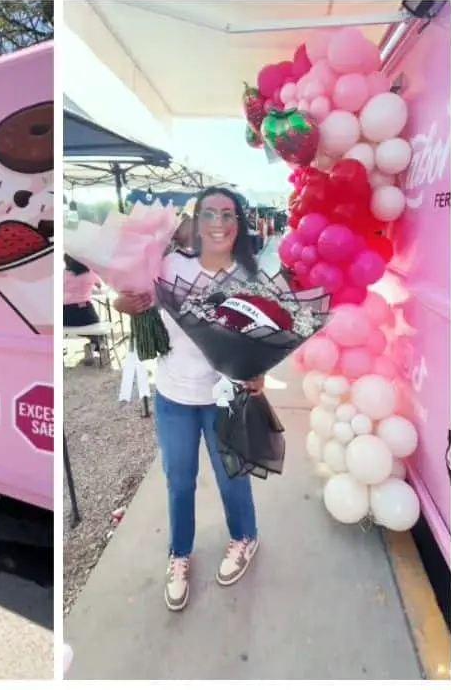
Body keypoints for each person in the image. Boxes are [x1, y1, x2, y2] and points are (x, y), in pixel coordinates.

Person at [114, 186, 264, 612]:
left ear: (239, 224)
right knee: (179, 481)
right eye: (209, 213)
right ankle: (179, 554)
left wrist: (259, 374)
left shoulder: (248, 276)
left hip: (225, 397)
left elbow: (260, 335)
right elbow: (132, 301)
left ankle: (244, 537)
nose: (218, 222)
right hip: (174, 395)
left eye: (228, 214)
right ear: (195, 221)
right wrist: (128, 302)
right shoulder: (166, 264)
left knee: (231, 476)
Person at [63, 255, 104, 366]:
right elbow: (99, 286)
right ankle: (92, 346)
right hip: (85, 312)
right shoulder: (90, 274)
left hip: (65, 315)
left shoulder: (62, 275)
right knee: (98, 329)